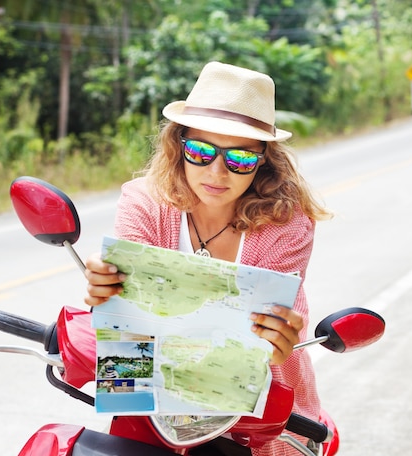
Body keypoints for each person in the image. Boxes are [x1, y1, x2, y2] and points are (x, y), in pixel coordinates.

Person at [83, 61, 332, 456]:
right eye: (200, 151)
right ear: (178, 145)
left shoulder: (288, 221)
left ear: (263, 159)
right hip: (150, 403)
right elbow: (125, 311)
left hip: (258, 413)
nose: (217, 172)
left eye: (240, 159)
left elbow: (263, 337)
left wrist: (278, 336)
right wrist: (105, 279)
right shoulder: (142, 201)